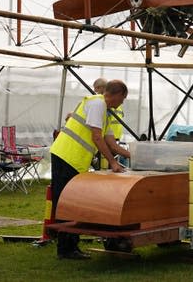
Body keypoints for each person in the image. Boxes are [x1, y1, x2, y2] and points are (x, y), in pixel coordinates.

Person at [50, 79, 130, 259]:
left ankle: (71, 247)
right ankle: (66, 249)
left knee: (72, 202)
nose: (122, 103)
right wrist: (113, 163)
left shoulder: (105, 112)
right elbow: (97, 137)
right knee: (67, 203)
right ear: (116, 94)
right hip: (66, 156)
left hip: (74, 160)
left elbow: (111, 142)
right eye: (122, 99)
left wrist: (137, 156)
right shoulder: (97, 104)